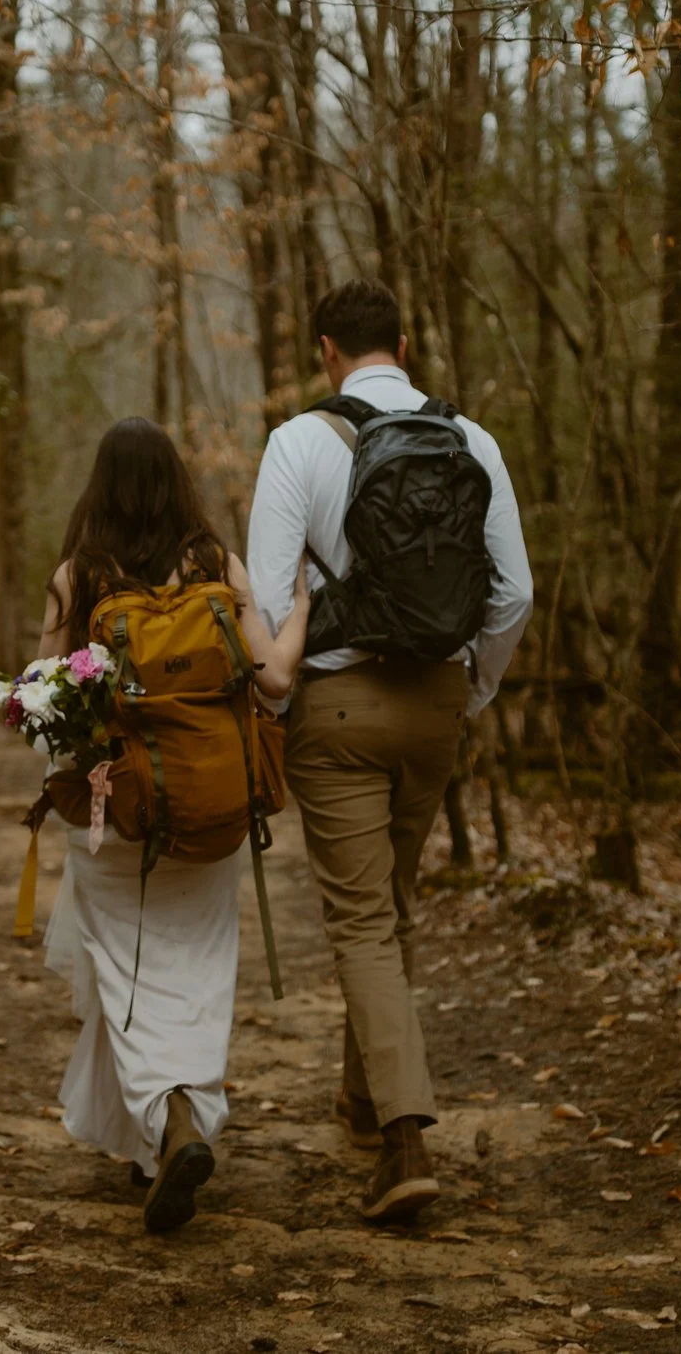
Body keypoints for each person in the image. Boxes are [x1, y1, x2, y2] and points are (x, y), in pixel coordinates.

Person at [246, 279, 532, 1223]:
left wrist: (266, 699)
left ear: (327, 349)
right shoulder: (471, 440)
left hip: (336, 707)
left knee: (365, 920)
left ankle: (403, 1136)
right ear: (404, 343)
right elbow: (514, 593)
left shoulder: (298, 442)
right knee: (391, 905)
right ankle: (363, 1097)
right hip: (437, 703)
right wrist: (473, 686)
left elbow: (270, 594)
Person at [37, 416, 309, 1234]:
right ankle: (161, 1133)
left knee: (127, 975)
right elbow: (276, 682)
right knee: (193, 970)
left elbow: (44, 706)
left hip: (120, 812)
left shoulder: (77, 577)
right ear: (175, 481)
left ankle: (174, 1117)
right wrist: (302, 605)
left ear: (101, 485)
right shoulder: (213, 565)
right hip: (214, 809)